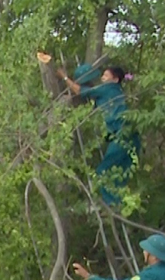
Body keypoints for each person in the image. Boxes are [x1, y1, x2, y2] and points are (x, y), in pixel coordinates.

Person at [58, 63, 139, 207]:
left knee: (103, 172)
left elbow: (80, 91)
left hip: (122, 134)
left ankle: (112, 206)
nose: (102, 78)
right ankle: (122, 204)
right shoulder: (113, 93)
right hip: (130, 135)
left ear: (115, 79)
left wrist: (64, 77)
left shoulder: (108, 88)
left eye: (106, 75)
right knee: (119, 174)